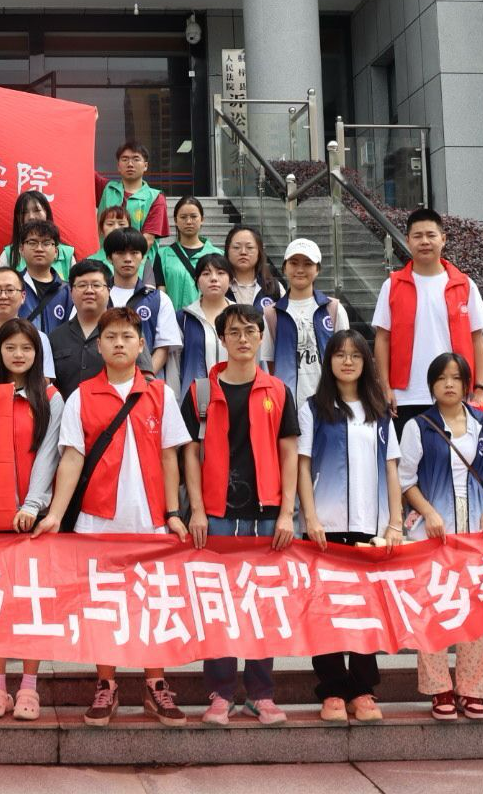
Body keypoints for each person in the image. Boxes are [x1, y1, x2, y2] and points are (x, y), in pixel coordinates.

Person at [32, 307, 190, 727]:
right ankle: (107, 684)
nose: (119, 343)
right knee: (103, 607)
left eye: (127, 336)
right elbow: (71, 458)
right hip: (97, 521)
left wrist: (173, 512)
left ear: (141, 345)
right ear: (98, 346)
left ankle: (156, 685)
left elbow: (170, 456)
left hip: (150, 520)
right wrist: (56, 515)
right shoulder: (81, 396)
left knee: (153, 604)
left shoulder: (161, 394)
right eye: (111, 337)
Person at [179, 303, 299, 727]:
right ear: (222, 339)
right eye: (234, 332)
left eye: (250, 331)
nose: (243, 339)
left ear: (261, 337)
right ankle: (221, 694)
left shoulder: (279, 391)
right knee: (218, 603)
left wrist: (287, 513)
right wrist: (196, 509)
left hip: (266, 514)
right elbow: (189, 454)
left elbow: (289, 452)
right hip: (215, 514)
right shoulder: (200, 392)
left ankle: (261, 694)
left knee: (263, 603)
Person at [296, 329, 402, 724]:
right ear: (329, 362)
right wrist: (310, 517)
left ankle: (361, 689)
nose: (347, 361)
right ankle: (332, 690)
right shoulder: (313, 408)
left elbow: (391, 468)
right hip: (324, 526)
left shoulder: (379, 411)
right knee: (325, 611)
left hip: (370, 526)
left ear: (366, 363)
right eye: (340, 354)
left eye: (355, 355)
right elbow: (302, 465)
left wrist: (395, 522)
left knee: (365, 610)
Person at [400, 352, 483, 721]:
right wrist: (429, 512)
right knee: (433, 607)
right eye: (441, 378)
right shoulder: (418, 426)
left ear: (466, 384)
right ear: (431, 384)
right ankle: (439, 688)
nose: (449, 384)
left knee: (479, 609)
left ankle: (472, 688)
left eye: (456, 378)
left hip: (478, 529)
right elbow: (405, 480)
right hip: (433, 532)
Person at [0, 318, 64, 722]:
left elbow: (49, 454)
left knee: (33, 603)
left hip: (34, 516)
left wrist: (32, 504)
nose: (18, 354)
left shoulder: (51, 396)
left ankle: (29, 687)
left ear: (37, 353)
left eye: (26, 348)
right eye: (10, 347)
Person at [371, 208, 483, 432]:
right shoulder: (392, 285)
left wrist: (479, 388)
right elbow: (382, 339)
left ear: (443, 239)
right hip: (406, 397)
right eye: (417, 236)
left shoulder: (464, 284)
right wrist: (385, 387)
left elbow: (477, 339)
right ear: (408, 241)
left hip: (456, 392)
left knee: (454, 454)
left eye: (431, 235)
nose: (425, 241)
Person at [263, 238, 348, 406]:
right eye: (294, 263)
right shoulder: (271, 313)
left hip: (329, 402)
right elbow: (270, 363)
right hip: (288, 404)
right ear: (284, 268)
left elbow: (345, 355)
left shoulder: (333, 308)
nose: (300, 270)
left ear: (318, 269)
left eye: (308, 264)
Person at [49, 259, 153, 394]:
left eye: (96, 285)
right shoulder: (56, 337)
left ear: (109, 290)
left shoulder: (127, 331)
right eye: (82, 285)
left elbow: (146, 378)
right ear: (71, 292)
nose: (89, 291)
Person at [105, 227, 182, 376]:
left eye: (134, 253)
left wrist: (143, 379)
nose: (128, 259)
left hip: (147, 383)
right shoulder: (98, 296)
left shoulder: (159, 299)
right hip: (104, 381)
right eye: (120, 253)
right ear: (109, 258)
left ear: (142, 257)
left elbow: (163, 347)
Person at [168, 253, 232, 393]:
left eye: (221, 273)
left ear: (231, 280)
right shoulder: (183, 318)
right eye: (206, 273)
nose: (214, 278)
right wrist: (175, 400)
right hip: (195, 399)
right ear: (197, 281)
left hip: (233, 397)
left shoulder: (241, 317)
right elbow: (174, 366)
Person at [97, 142, 167, 247]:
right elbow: (82, 167)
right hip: (104, 255)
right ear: (118, 166)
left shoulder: (156, 198)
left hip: (137, 256)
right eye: (125, 159)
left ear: (145, 166)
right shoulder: (106, 188)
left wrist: (122, 255)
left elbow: (148, 240)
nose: (130, 164)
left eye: (136, 159)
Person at [156, 196, 223, 307]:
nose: (188, 221)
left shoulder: (218, 255)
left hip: (207, 316)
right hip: (174, 317)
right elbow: (160, 294)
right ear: (175, 221)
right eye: (183, 217)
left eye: (193, 216)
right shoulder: (162, 255)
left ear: (202, 219)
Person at [0, 191, 76, 281]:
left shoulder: (67, 255)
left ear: (47, 212)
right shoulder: (8, 255)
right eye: (24, 212)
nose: (31, 217)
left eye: (37, 210)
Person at [15, 220, 72, 335]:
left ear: (55, 251)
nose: (39, 249)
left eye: (46, 243)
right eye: (32, 243)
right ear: (21, 249)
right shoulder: (12, 285)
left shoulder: (68, 291)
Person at [224, 224, 284, 310]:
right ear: (227, 251)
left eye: (250, 247)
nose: (243, 252)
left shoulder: (274, 288)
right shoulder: (218, 286)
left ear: (259, 252)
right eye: (236, 247)